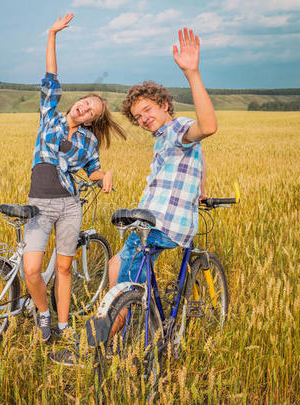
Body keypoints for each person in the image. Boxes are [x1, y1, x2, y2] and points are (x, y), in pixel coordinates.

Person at [24, 13, 126, 345]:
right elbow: (51, 75)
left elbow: (92, 171)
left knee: (64, 269)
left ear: (92, 121)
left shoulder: (88, 141)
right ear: (75, 104)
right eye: (85, 102)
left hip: (69, 205)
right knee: (32, 270)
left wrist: (105, 173)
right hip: (39, 203)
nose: (86, 107)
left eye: (93, 110)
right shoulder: (49, 116)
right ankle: (44, 314)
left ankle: (63, 327)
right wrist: (52, 33)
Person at [107, 27, 217, 333]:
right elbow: (200, 155)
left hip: (161, 225)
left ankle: (93, 349)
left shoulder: (176, 129)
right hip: (155, 222)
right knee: (115, 267)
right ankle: (146, 326)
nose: (143, 119)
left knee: (122, 289)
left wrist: (192, 73)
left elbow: (207, 127)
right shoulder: (163, 138)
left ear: (164, 105)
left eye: (147, 110)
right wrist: (201, 191)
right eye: (137, 116)